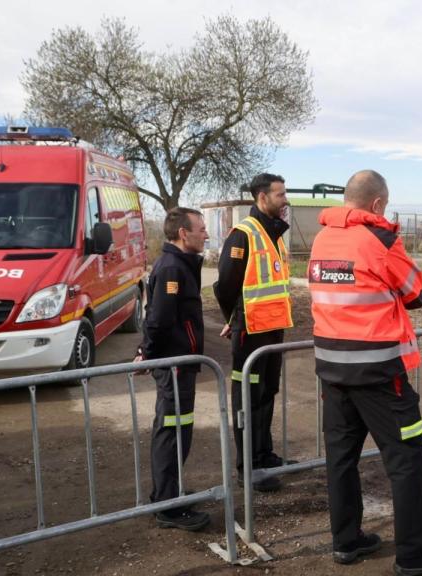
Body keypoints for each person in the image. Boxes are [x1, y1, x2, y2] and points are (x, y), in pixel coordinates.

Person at [309, 170, 422, 575]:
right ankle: (413, 555)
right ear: (377, 204)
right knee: (407, 459)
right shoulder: (380, 239)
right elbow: (412, 291)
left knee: (341, 459)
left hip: (332, 368)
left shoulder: (322, 238)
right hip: (379, 373)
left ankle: (346, 541)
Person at [213, 173, 294, 492]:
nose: (285, 199)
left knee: (267, 393)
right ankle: (248, 466)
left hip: (272, 331)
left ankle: (264, 453)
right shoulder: (244, 234)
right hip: (251, 333)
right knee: (247, 398)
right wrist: (234, 318)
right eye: (280, 194)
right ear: (262, 198)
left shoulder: (272, 232)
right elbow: (225, 284)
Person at [134, 207, 210, 531]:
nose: (206, 234)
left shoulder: (181, 265)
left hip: (183, 364)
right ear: (184, 233)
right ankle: (167, 506)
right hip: (174, 366)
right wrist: (146, 353)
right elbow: (159, 319)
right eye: (201, 228)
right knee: (171, 433)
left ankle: (171, 493)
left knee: (180, 432)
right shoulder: (171, 268)